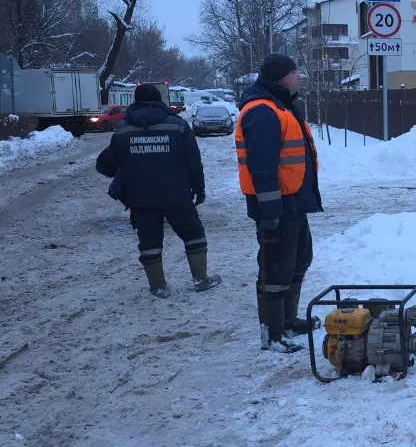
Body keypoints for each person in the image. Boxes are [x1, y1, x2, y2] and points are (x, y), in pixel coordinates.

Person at [96, 84, 221, 298]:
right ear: (159, 101)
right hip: (177, 194)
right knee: (193, 234)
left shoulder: (124, 129)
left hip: (140, 197)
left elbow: (105, 165)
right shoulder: (178, 126)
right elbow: (194, 162)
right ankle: (201, 279)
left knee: (149, 241)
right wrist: (199, 189)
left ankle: (158, 287)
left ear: (135, 101)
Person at [236, 54, 323, 353]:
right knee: (275, 270)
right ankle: (272, 334)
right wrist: (269, 210)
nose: (299, 77)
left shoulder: (282, 106)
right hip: (277, 207)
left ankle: (288, 320)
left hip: (294, 202)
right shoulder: (261, 111)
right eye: (294, 72)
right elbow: (262, 167)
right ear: (279, 78)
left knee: (298, 262)